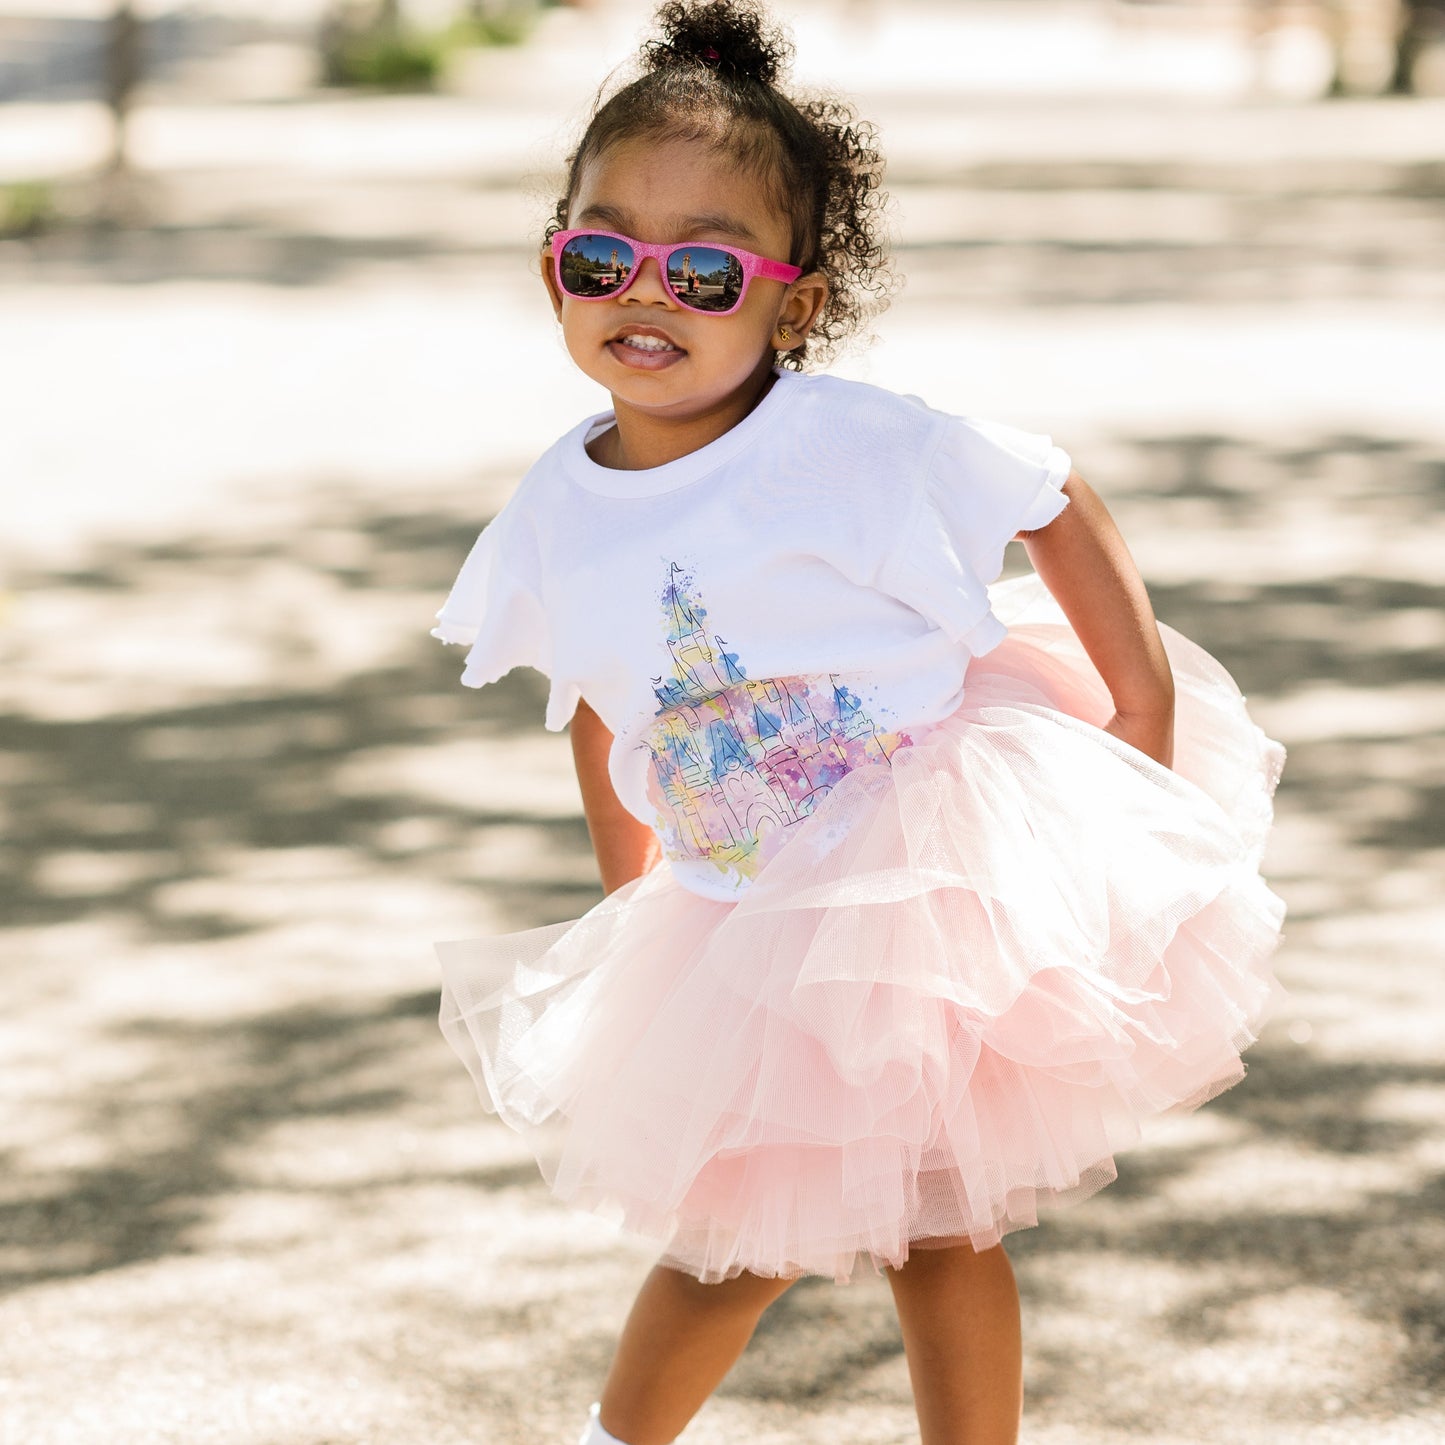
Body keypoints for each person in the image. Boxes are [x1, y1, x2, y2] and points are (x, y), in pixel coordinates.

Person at [430, 4, 1287, 1443]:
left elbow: (1048, 495)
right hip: (742, 905)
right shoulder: (551, 501)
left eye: (704, 268)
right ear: (553, 268)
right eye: (603, 254)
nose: (646, 292)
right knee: (730, 1234)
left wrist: (1137, 702)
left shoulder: (846, 441)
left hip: (920, 871)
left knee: (931, 1226)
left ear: (795, 300)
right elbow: (592, 694)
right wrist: (630, 884)